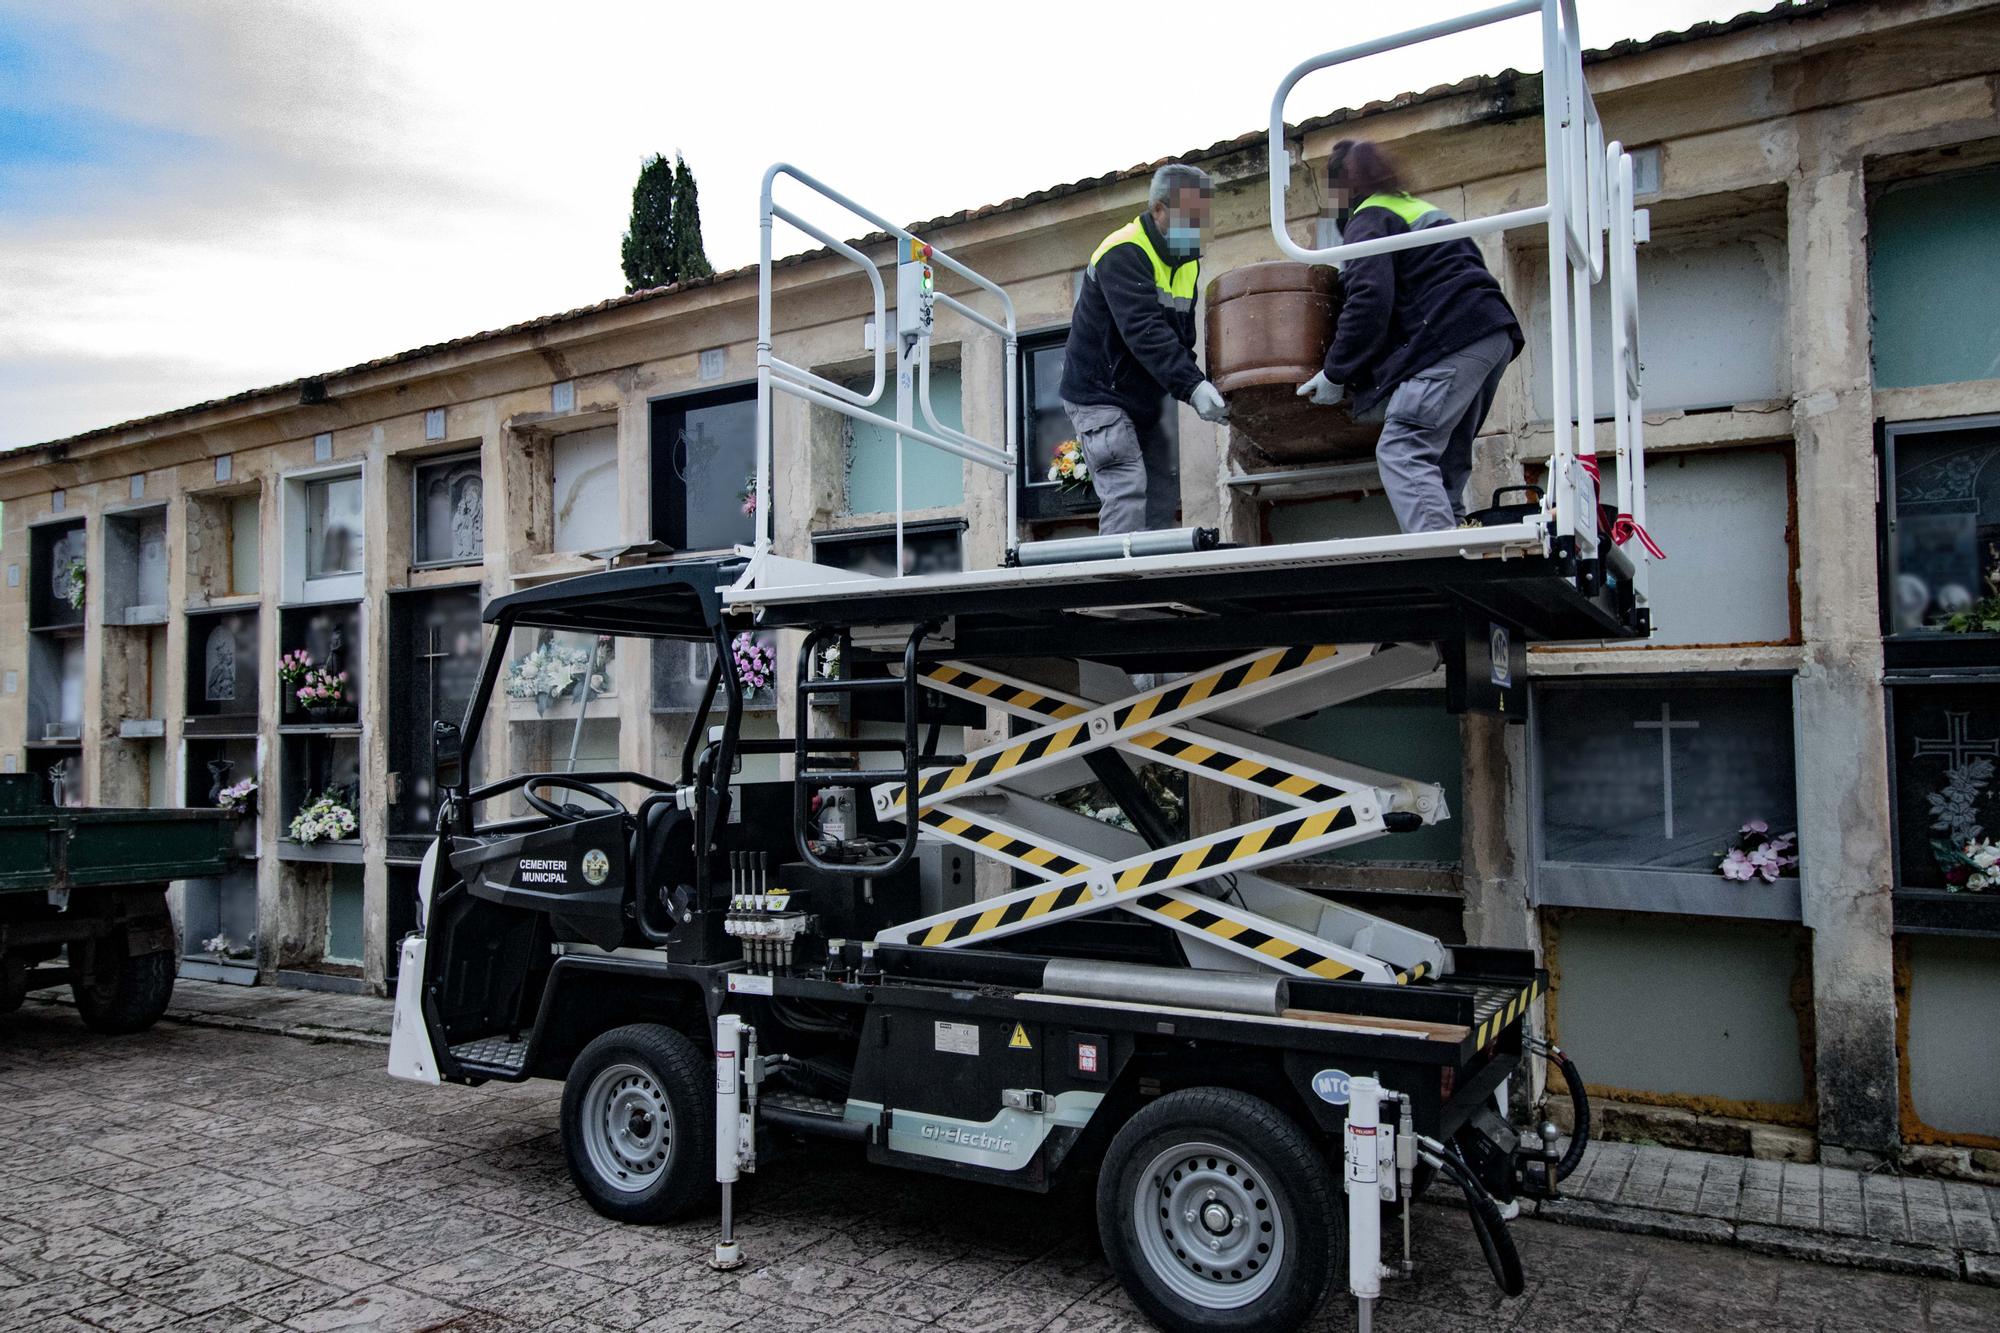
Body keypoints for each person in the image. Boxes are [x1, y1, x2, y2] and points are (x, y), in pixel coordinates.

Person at [1298, 140, 1524, 534]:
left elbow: (1370, 298)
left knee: (1404, 448)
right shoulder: (1422, 211)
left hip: (1453, 338)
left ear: (1343, 189)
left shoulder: (1369, 216)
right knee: (1443, 459)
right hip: (1490, 335)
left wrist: (1336, 372)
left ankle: (1441, 560)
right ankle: (1457, 542)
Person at [1061, 163, 1232, 535]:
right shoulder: (1122, 250)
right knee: (1126, 487)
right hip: (1099, 395)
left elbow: (1178, 341)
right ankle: (1119, 589)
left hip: (1141, 400)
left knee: (1161, 492)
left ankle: (1153, 583)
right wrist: (1193, 387)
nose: (1200, 228)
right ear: (1159, 210)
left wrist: (1201, 384)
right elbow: (1144, 331)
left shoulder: (1186, 265)